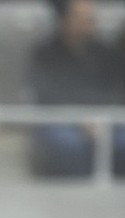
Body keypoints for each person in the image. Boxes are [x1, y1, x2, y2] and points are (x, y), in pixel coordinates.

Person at [29, 0, 125, 176]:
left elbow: (116, 90)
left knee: (121, 141)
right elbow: (47, 93)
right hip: (62, 119)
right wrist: (80, 119)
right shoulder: (44, 54)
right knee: (67, 144)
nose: (89, 24)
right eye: (82, 18)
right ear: (65, 20)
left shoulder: (106, 53)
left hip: (104, 116)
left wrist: (99, 117)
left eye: (90, 19)